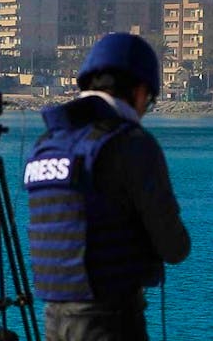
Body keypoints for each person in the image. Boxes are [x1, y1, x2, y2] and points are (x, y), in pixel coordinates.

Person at [24, 33, 190, 341]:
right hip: (109, 319)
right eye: (149, 103)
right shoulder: (129, 142)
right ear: (139, 91)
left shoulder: (46, 144)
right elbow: (174, 246)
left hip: (53, 314)